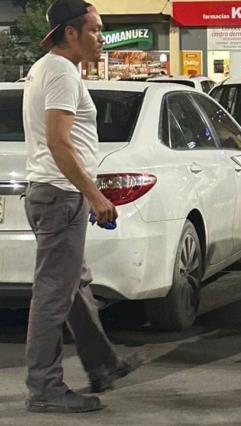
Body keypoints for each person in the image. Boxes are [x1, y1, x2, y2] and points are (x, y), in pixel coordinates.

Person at [23, 0, 142, 413]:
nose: (101, 38)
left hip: (53, 193)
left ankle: (104, 364)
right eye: (95, 29)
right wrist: (93, 193)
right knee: (54, 295)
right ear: (70, 33)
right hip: (60, 194)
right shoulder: (60, 72)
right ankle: (44, 389)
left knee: (74, 285)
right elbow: (59, 141)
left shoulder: (50, 68)